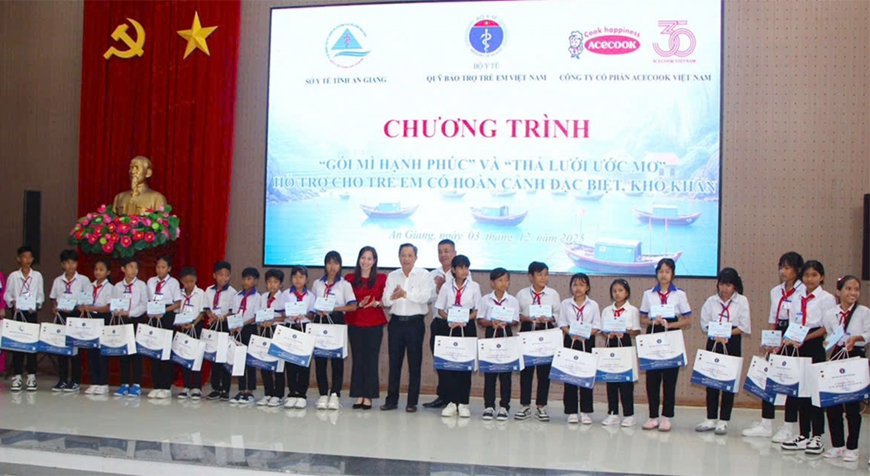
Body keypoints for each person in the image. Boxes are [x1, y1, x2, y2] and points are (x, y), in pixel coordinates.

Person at [744, 251, 804, 440]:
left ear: (797, 270)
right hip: (778, 331)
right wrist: (770, 340)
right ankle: (766, 423)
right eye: (781, 267)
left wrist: (790, 338)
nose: (782, 271)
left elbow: (802, 319)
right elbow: (773, 317)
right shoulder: (776, 291)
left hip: (795, 335)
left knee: (789, 381)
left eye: (787, 268)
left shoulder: (803, 291)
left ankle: (788, 426)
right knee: (768, 379)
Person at [780, 260, 836, 455]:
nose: (809, 279)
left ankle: (817, 436)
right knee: (801, 391)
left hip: (814, 344)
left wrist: (806, 337)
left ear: (821, 277)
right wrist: (788, 339)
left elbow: (826, 327)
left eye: (814, 275)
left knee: (814, 392)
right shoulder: (797, 296)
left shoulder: (827, 298)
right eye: (806, 275)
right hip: (798, 343)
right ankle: (803, 434)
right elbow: (793, 322)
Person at [695, 268, 751, 435]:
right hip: (714, 340)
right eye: (721, 284)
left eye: (728, 285)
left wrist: (727, 334)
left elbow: (744, 326)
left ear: (735, 285)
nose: (724, 288)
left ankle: (724, 420)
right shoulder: (711, 301)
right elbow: (704, 323)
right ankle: (711, 418)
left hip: (732, 341)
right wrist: (715, 334)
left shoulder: (742, 301)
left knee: (728, 382)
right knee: (711, 380)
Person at [640, 258, 692, 432]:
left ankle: (666, 417)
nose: (664, 275)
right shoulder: (648, 294)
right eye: (661, 271)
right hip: (653, 333)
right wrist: (652, 321)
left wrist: (671, 325)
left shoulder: (679, 294)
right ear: (656, 273)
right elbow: (642, 318)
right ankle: (653, 416)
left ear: (673, 274)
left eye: (667, 271)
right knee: (652, 379)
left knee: (670, 379)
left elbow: (688, 319)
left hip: (671, 333)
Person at [381, 243, 435, 412]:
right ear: (399, 257)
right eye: (403, 255)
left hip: (415, 324)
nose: (406, 259)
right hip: (396, 323)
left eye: (409, 255)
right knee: (394, 363)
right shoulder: (393, 276)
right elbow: (386, 301)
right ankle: (391, 400)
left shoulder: (424, 275)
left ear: (415, 258)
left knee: (414, 364)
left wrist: (404, 294)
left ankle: (412, 402)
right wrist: (395, 296)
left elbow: (425, 297)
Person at [822, 275, 869, 462]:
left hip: (855, 355)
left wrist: (856, 338)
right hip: (837, 355)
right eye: (848, 289)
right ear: (838, 291)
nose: (853, 293)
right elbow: (830, 334)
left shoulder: (864, 312)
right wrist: (827, 343)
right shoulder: (830, 314)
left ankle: (852, 446)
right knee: (833, 403)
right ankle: (838, 445)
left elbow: (869, 333)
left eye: (856, 289)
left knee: (852, 405)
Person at [433, 255, 480, 418]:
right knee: (450, 365)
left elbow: (478, 310)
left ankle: (464, 403)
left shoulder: (474, 286)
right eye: (461, 267)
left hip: (467, 327)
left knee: (465, 366)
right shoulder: (446, 287)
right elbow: (440, 309)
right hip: (449, 327)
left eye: (467, 267)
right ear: (453, 270)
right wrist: (450, 320)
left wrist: (465, 320)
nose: (464, 271)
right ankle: (452, 402)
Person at [311, 251, 358, 411]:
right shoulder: (317, 284)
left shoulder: (344, 284)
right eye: (329, 263)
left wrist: (334, 309)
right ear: (325, 265)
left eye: (336, 263)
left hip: (337, 320)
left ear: (340, 266)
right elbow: (312, 305)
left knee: (337, 360)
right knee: (320, 359)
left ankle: (335, 394)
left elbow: (353, 306)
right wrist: (317, 310)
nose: (332, 267)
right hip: (320, 321)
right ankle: (323, 394)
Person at [515, 261, 561, 421]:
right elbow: (517, 314)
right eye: (539, 274)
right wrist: (528, 318)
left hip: (546, 330)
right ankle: (525, 405)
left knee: (544, 372)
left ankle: (541, 406)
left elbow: (558, 314)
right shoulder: (522, 294)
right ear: (531, 276)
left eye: (546, 274)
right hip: (528, 330)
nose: (543, 278)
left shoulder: (553, 294)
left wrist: (549, 318)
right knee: (526, 371)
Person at [345, 246, 387, 410]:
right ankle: (358, 394)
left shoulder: (381, 278)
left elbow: (386, 300)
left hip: (374, 324)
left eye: (369, 258)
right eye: (363, 257)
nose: (365, 261)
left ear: (374, 261)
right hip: (355, 322)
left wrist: (376, 303)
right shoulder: (349, 278)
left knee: (371, 359)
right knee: (357, 359)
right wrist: (358, 304)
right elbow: (346, 300)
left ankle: (368, 395)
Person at [476, 267, 519, 421]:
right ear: (492, 283)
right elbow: (480, 320)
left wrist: (507, 322)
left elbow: (515, 321)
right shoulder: (485, 300)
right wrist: (491, 323)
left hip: (506, 334)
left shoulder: (512, 300)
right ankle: (489, 406)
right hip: (491, 334)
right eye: (500, 280)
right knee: (490, 373)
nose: (504, 283)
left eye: (506, 280)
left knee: (506, 374)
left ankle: (504, 406)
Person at [558, 273, 600, 425]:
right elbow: (562, 322)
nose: (578, 288)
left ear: (587, 287)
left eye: (581, 285)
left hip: (587, 341)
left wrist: (586, 335)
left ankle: (585, 411)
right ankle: (571, 411)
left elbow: (597, 325)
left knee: (585, 376)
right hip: (571, 340)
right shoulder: (565, 304)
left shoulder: (593, 305)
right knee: (570, 375)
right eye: (575, 285)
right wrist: (571, 333)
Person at [600, 279, 641, 427]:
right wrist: (608, 334)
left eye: (620, 290)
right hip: (611, 344)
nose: (617, 294)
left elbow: (636, 330)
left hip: (625, 343)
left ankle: (629, 415)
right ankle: (613, 413)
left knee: (626, 382)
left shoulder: (632, 310)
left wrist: (625, 331)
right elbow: (603, 331)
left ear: (627, 292)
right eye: (614, 291)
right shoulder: (606, 310)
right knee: (611, 380)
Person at [4, 246, 44, 392]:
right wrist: (13, 302)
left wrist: (37, 305)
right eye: (24, 257)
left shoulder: (37, 276)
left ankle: (32, 376)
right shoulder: (13, 276)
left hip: (31, 313)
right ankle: (17, 376)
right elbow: (7, 294)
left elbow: (40, 295)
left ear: (32, 259)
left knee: (31, 345)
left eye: (29, 257)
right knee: (17, 345)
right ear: (19, 259)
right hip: (17, 313)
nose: (27, 260)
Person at [49, 249, 89, 392]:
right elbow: (54, 298)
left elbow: (87, 299)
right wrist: (55, 307)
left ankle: (76, 380)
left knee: (75, 350)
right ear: (62, 264)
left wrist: (81, 307)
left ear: (77, 263)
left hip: (76, 315)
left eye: (73, 262)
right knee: (61, 349)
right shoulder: (57, 281)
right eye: (67, 263)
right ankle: (62, 380)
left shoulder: (83, 280)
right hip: (61, 315)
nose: (70, 266)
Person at [424, 239, 456, 409]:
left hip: (456, 324)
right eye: (440, 251)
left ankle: (455, 398)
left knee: (455, 361)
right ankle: (443, 396)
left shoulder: (462, 272)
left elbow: (460, 299)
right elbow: (428, 297)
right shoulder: (433, 274)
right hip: (438, 322)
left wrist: (444, 287)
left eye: (446, 251)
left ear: (454, 253)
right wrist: (437, 290)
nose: (443, 255)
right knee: (440, 361)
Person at [146, 256, 182, 399]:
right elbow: (149, 300)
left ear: (169, 269)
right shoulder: (151, 281)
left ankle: (166, 387)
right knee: (154, 351)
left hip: (166, 315)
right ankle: (156, 385)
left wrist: (164, 311)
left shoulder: (173, 282)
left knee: (165, 352)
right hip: (153, 316)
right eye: (158, 267)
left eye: (163, 267)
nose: (160, 270)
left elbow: (178, 302)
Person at [112, 257, 148, 398]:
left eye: (136, 267)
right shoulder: (117, 286)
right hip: (122, 321)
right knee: (123, 353)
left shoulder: (141, 285)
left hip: (136, 320)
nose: (134, 270)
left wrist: (130, 313)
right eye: (130, 267)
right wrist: (116, 311)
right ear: (123, 269)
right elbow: (114, 303)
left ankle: (137, 384)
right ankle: (124, 383)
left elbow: (144, 305)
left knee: (136, 354)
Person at [282, 266, 315, 409]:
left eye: (301, 277)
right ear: (291, 279)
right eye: (295, 277)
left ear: (306, 279)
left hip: (305, 328)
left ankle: (302, 394)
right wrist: (289, 315)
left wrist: (305, 315)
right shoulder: (286, 294)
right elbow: (282, 312)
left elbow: (312, 314)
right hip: (290, 327)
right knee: (290, 362)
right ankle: (292, 393)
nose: (298, 280)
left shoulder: (311, 296)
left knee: (303, 363)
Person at [204, 261, 236, 402]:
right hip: (213, 325)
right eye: (220, 275)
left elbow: (233, 311)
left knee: (225, 358)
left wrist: (222, 317)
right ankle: (215, 388)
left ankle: (225, 389)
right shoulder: (208, 290)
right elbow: (206, 308)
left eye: (226, 275)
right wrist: (210, 315)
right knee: (214, 357)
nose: (224, 278)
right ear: (214, 275)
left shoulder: (232, 292)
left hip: (225, 325)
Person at [230, 267, 262, 405]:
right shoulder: (237, 295)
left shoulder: (258, 297)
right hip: (237, 330)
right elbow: (234, 313)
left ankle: (250, 391)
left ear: (256, 281)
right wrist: (233, 325)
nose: (245, 281)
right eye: (244, 278)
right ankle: (241, 389)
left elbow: (256, 316)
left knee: (250, 360)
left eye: (249, 279)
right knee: (239, 359)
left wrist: (243, 323)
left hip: (250, 328)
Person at [81, 258, 113, 395]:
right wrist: (82, 306)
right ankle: (94, 382)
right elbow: (83, 300)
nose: (98, 272)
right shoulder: (89, 286)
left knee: (102, 352)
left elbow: (109, 307)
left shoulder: (110, 288)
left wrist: (93, 308)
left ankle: (103, 383)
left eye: (101, 269)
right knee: (91, 351)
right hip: (90, 319)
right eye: (96, 269)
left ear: (108, 272)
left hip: (103, 318)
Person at [175, 266, 205, 400]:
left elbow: (202, 312)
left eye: (191, 281)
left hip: (196, 326)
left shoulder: (200, 293)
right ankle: (186, 385)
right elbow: (177, 311)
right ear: (182, 281)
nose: (189, 284)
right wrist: (181, 323)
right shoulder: (179, 294)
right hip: (183, 326)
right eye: (186, 282)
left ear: (196, 280)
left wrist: (193, 324)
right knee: (184, 356)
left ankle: (196, 387)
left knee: (196, 356)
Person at [258, 269, 286, 407]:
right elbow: (259, 314)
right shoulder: (263, 297)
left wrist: (273, 320)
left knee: (279, 363)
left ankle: (278, 394)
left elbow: (285, 316)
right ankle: (268, 392)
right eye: (269, 282)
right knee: (265, 361)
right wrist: (261, 321)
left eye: (275, 282)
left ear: (280, 284)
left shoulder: (283, 297)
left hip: (278, 330)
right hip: (265, 330)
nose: (272, 285)